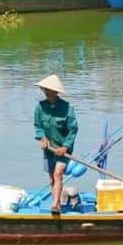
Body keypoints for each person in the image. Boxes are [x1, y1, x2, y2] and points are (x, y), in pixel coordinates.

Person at [33, 73, 79, 213]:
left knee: (58, 174)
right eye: (44, 90)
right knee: (52, 177)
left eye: (49, 90)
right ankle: (57, 202)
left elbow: (73, 129)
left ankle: (55, 205)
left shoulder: (67, 108)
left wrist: (65, 146)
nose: (46, 92)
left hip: (63, 149)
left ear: (55, 92)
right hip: (49, 149)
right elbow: (38, 126)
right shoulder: (40, 107)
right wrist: (42, 138)